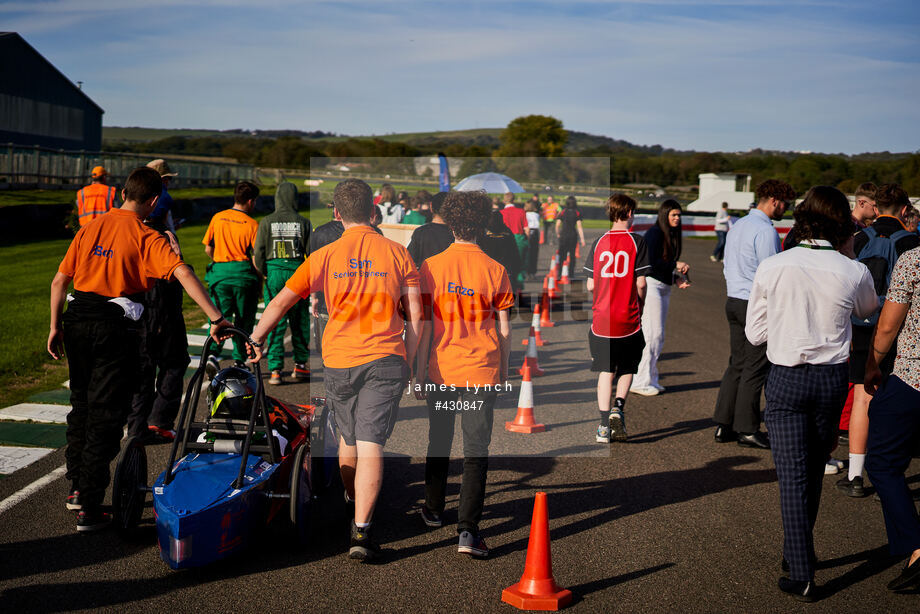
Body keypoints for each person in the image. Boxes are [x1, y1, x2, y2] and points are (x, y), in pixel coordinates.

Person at [48, 166, 229, 531]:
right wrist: (215, 317)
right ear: (152, 200)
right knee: (106, 412)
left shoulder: (91, 227)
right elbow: (183, 273)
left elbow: (59, 280)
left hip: (77, 317)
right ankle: (89, 503)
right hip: (114, 326)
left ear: (123, 192)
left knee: (80, 404)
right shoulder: (147, 235)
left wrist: (54, 326)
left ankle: (75, 487)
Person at [251, 179, 422, 561]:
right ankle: (362, 531)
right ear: (374, 211)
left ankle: (350, 496)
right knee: (372, 443)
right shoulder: (398, 253)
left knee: (348, 438)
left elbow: (280, 301)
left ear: (336, 212)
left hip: (340, 358)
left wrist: (256, 337)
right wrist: (413, 362)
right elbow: (417, 317)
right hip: (387, 356)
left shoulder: (326, 254)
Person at [745, 185, 877, 601]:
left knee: (791, 476)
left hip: (786, 376)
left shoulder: (774, 265)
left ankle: (801, 570)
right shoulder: (852, 269)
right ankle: (797, 552)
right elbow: (866, 310)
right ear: (842, 225)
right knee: (814, 470)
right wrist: (849, 256)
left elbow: (755, 334)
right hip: (831, 380)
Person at [415, 190, 513, 558]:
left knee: (438, 441)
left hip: (441, 367)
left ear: (451, 222)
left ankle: (433, 508)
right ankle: (468, 531)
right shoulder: (496, 269)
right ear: (485, 222)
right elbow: (504, 330)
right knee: (476, 450)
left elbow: (424, 327)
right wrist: (503, 371)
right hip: (481, 369)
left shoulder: (430, 267)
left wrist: (419, 373)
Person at [837, 183, 920, 497]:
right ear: (903, 210)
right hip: (900, 327)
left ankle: (856, 475)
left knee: (862, 395)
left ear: (875, 206)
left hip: (862, 324)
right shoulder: (912, 242)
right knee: (899, 393)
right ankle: (891, 467)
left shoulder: (859, 238)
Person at [712, 179, 796, 449]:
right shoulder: (765, 231)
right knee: (755, 367)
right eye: (786, 204)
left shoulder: (737, 226)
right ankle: (747, 429)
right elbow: (772, 273)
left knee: (736, 363)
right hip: (754, 304)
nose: (786, 208)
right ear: (774, 200)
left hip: (733, 299)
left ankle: (724, 425)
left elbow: (726, 263)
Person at [864, 244, 920, 592]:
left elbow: (887, 326)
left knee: (883, 463)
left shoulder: (914, 259)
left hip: (913, 377)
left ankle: (916, 547)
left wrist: (872, 364)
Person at [125, 188, 190, 445]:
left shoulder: (130, 233)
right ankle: (160, 421)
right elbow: (176, 274)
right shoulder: (163, 237)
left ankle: (136, 425)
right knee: (174, 362)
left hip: (135, 310)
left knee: (142, 368)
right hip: (162, 308)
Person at [585, 193, 649, 443]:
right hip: (628, 318)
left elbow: (591, 285)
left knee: (605, 370)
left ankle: (603, 426)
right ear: (629, 213)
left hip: (602, 319)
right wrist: (640, 304)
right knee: (628, 366)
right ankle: (618, 408)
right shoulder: (637, 242)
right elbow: (641, 283)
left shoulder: (599, 241)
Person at [253, 181, 312, 385]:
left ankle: (276, 369)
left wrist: (265, 272)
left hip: (274, 271)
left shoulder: (266, 222)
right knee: (299, 321)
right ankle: (300, 365)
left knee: (274, 319)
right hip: (297, 271)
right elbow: (311, 253)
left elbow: (258, 252)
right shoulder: (303, 222)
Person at [630, 200, 690, 396]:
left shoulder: (670, 235)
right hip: (651, 285)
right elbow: (650, 262)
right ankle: (640, 381)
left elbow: (663, 264)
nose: (677, 218)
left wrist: (676, 277)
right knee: (652, 334)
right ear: (664, 215)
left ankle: (651, 378)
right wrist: (674, 264)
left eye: (679, 215)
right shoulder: (655, 233)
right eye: (673, 215)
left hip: (663, 286)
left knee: (659, 336)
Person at [202, 181, 262, 372]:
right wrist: (260, 278)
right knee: (244, 320)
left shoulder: (218, 218)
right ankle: (239, 359)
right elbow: (255, 259)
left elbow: (208, 248)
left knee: (219, 317)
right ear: (251, 201)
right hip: (244, 276)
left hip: (220, 275)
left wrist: (220, 262)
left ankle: (212, 353)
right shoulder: (253, 224)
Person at [479, 211, 523, 297]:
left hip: (488, 269)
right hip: (506, 269)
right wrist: (517, 268)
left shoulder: (484, 233)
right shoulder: (507, 232)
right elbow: (514, 251)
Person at [407, 191, 454, 269]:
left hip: (426, 277)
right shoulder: (458, 234)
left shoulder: (421, 232)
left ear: (431, 207)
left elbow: (409, 260)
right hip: (451, 279)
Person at [500, 192, 529, 286]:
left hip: (505, 239)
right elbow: (526, 229)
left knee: (506, 263)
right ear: (514, 200)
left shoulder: (501, 213)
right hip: (519, 238)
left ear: (504, 201)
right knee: (519, 262)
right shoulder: (521, 211)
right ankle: (519, 284)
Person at [555, 196, 585, 279]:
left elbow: (557, 225)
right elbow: (579, 227)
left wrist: (558, 234)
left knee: (562, 255)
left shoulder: (562, 212)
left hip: (564, 235)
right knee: (572, 255)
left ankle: (560, 273)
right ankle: (571, 273)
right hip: (573, 236)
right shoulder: (577, 212)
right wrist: (582, 239)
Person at [146, 159, 179, 232]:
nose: (168, 181)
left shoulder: (142, 193)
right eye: (168, 178)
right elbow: (154, 223)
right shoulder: (162, 195)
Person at [524, 199, 541, 280]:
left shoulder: (525, 214)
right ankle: (533, 272)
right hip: (535, 233)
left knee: (527, 253)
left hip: (528, 231)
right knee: (534, 253)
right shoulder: (536, 215)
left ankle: (527, 271)